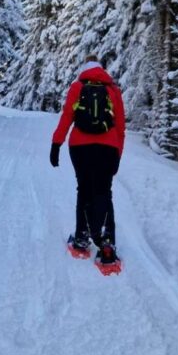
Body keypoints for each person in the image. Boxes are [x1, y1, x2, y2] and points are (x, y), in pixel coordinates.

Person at [50, 54, 125, 264]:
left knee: (84, 189)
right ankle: (107, 243)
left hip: (80, 146)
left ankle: (82, 238)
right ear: (102, 68)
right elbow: (120, 125)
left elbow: (66, 116)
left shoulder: (77, 87)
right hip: (108, 147)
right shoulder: (113, 90)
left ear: (85, 67)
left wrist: (56, 144)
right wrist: (118, 153)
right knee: (104, 191)